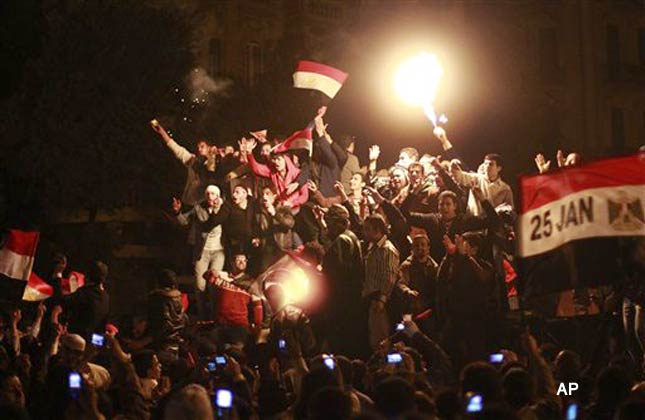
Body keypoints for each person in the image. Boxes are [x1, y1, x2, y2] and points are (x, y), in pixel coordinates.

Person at [437, 232, 494, 368]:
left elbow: (484, 278)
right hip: (455, 316)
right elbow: (440, 280)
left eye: (465, 245)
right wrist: (448, 255)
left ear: (475, 249)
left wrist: (467, 257)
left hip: (475, 317)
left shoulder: (483, 264)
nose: (461, 248)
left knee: (476, 353)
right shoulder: (455, 263)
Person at [321, 205, 366, 358]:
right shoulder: (351, 236)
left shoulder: (342, 240)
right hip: (352, 296)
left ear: (338, 223)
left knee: (341, 340)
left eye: (329, 224)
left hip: (342, 299)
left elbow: (339, 271)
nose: (328, 228)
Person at [174, 184, 225, 318]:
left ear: (218, 196)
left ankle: (215, 316)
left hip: (218, 251)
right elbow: (184, 221)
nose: (210, 196)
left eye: (213, 194)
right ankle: (202, 315)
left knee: (214, 285)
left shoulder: (224, 209)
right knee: (200, 285)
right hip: (202, 252)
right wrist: (177, 212)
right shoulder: (198, 208)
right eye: (208, 194)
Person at [151, 119, 216, 205]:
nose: (199, 149)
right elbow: (176, 148)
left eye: (202, 147)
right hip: (187, 202)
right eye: (198, 147)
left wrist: (212, 156)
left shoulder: (213, 164)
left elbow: (211, 170)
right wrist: (162, 132)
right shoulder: (193, 160)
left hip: (202, 205)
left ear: (209, 148)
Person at [203, 253, 263, 346]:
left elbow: (257, 305)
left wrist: (257, 325)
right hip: (220, 325)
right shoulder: (224, 277)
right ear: (232, 262)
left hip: (239, 328)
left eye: (244, 260)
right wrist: (213, 271)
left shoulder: (251, 283)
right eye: (238, 259)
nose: (241, 262)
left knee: (236, 354)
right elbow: (206, 276)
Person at [362, 214, 400, 350]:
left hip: (379, 300)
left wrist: (382, 299)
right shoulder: (374, 247)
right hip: (373, 298)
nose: (364, 232)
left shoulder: (386, 250)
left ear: (377, 229)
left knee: (381, 338)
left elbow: (389, 276)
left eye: (367, 229)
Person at [397, 234, 439, 335]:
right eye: (416, 245)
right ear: (412, 248)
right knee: (408, 335)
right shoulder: (406, 266)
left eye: (422, 245)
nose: (420, 247)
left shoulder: (434, 266)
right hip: (410, 309)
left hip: (428, 309)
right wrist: (408, 291)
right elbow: (400, 283)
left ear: (428, 247)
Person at [449, 153, 514, 216]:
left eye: (491, 164)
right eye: (485, 164)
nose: (487, 166)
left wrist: (500, 211)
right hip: (473, 222)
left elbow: (509, 208)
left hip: (492, 224)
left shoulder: (505, 189)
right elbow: (459, 177)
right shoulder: (476, 178)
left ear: (499, 168)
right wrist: (453, 165)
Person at [64, 260, 110, 338]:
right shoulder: (106, 297)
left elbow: (63, 302)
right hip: (94, 342)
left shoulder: (84, 293)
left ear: (87, 276)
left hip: (77, 341)